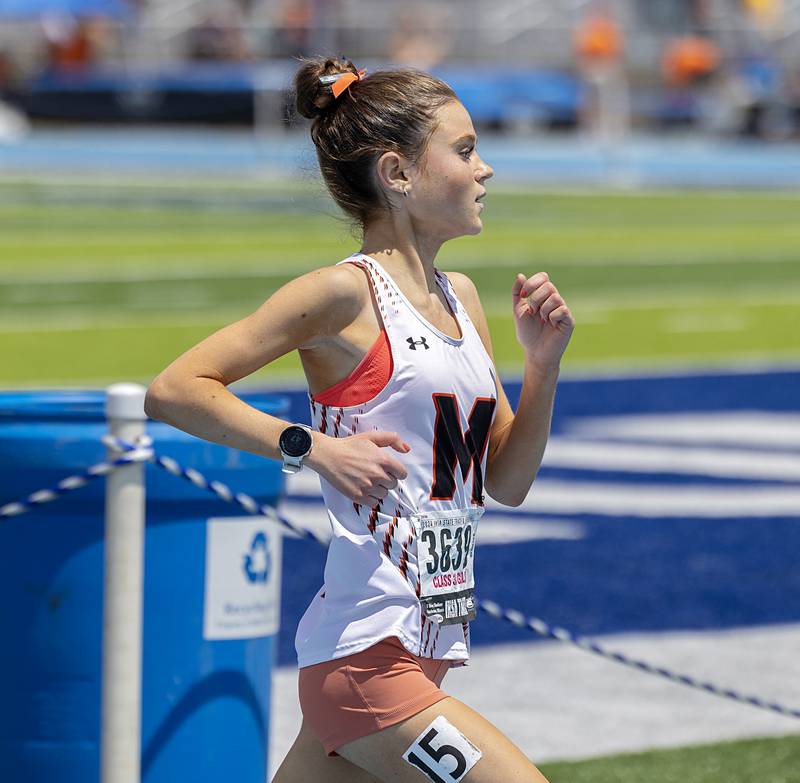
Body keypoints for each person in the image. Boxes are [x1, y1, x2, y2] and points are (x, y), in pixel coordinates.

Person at [145, 57, 574, 783]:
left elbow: (507, 480)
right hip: (368, 664)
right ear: (398, 173)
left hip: (425, 646)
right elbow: (175, 387)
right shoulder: (344, 295)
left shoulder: (463, 298)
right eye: (465, 151)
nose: (486, 170)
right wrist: (310, 447)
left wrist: (543, 366)